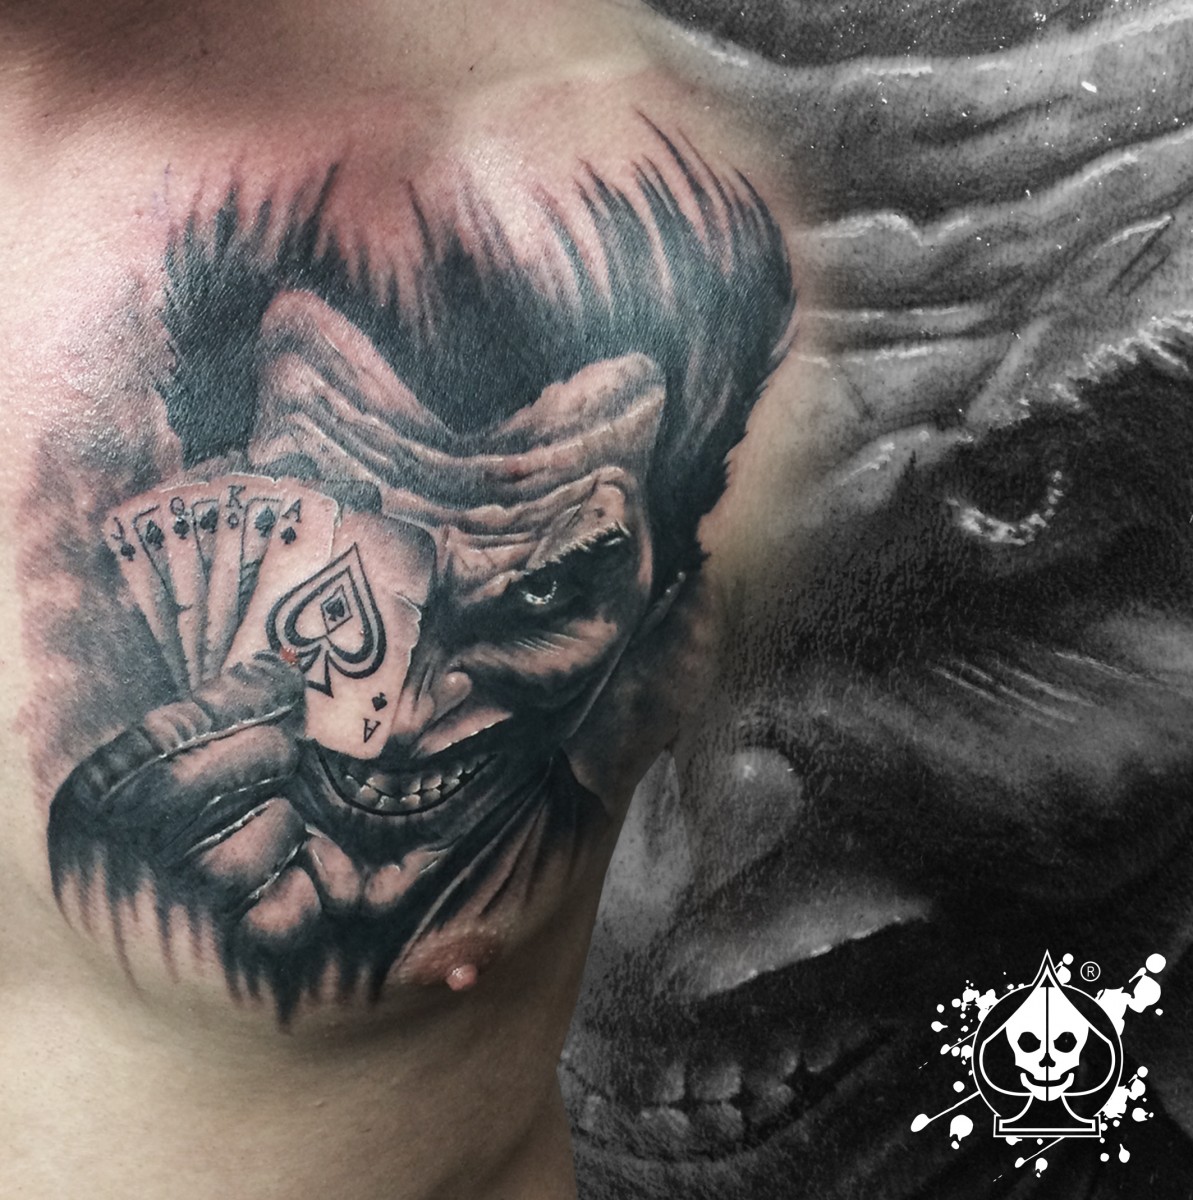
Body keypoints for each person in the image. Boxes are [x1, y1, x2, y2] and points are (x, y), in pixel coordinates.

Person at [0, 2, 803, 1196]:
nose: (401, 703)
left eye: (541, 591)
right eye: (330, 591)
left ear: (661, 592)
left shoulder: (765, 164)